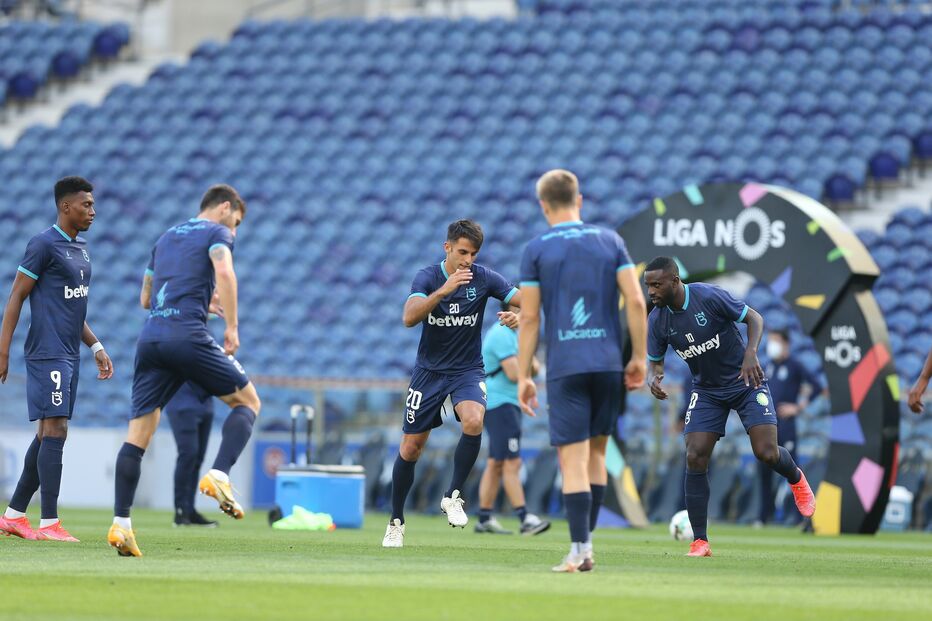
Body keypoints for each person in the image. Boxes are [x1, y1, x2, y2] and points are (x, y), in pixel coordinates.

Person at [107, 184, 261, 557]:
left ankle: (121, 524)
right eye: (237, 221)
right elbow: (225, 272)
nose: (235, 230)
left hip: (151, 340)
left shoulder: (165, 238)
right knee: (248, 402)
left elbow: (146, 298)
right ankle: (219, 474)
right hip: (187, 337)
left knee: (137, 436)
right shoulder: (217, 233)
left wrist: (198, 300)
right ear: (225, 208)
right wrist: (231, 326)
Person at [516, 169, 648, 573]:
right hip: (607, 363)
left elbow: (530, 317)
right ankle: (586, 547)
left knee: (571, 460)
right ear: (579, 200)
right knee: (597, 455)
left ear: (543, 206)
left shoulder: (536, 249)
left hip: (566, 365)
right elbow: (636, 301)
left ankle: (579, 551)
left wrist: (524, 375)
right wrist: (639, 357)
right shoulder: (611, 241)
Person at [644, 257, 815, 557]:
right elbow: (655, 362)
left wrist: (751, 353)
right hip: (706, 391)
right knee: (695, 455)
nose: (651, 292)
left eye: (656, 285)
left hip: (745, 380)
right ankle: (700, 541)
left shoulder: (708, 297)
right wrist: (654, 377)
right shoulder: (657, 320)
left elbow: (755, 318)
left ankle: (796, 479)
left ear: (675, 281)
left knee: (766, 452)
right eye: (648, 286)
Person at [382, 219, 521, 548]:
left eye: (473, 254)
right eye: (462, 252)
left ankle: (453, 495)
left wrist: (521, 317)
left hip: (466, 370)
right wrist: (444, 290)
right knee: (411, 448)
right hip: (429, 373)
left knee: (474, 420)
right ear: (447, 248)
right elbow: (409, 317)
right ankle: (396, 521)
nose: (467, 260)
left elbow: (528, 300)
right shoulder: (428, 277)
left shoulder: (484, 278)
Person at [0, 177, 114, 543]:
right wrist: (3, 350)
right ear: (66, 207)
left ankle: (14, 516)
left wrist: (95, 346)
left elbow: (72, 307)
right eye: (86, 205)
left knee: (47, 433)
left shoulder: (80, 248)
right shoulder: (43, 244)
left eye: (93, 205)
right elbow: (16, 296)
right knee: (56, 429)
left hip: (70, 352)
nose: (92, 211)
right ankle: (49, 523)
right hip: (47, 351)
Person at [475, 303, 550, 536]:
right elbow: (515, 372)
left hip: (506, 403)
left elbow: (533, 368)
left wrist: (528, 364)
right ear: (512, 308)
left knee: (496, 462)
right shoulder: (502, 334)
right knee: (511, 462)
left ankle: (484, 518)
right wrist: (528, 363)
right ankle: (525, 517)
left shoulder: (516, 334)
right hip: (500, 403)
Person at [758, 330, 825, 526]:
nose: (772, 345)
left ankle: (799, 516)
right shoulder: (767, 366)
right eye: (770, 341)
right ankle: (763, 516)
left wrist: (798, 407)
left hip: (786, 425)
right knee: (763, 470)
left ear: (786, 344)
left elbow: (817, 386)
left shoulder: (795, 365)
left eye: (776, 341)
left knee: (791, 469)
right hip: (767, 424)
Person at [165, 382, 218, 527]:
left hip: (205, 404)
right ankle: (181, 510)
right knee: (188, 455)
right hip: (182, 402)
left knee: (197, 459)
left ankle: (189, 509)